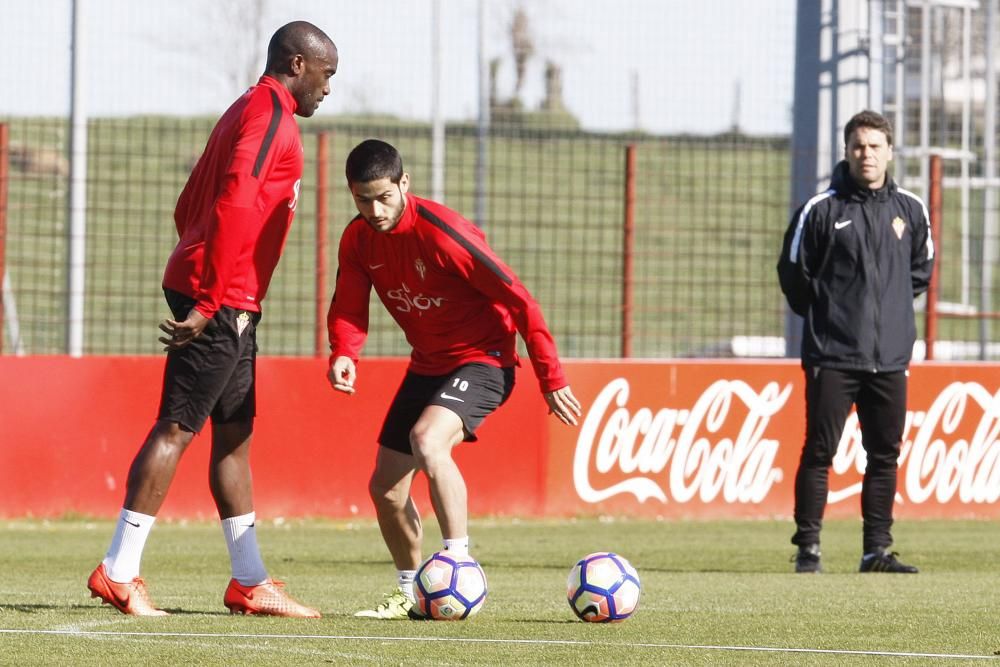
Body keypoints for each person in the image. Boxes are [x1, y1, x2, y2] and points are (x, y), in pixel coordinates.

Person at [87, 21, 338, 616]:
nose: (329, 90)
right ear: (298, 65)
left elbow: (188, 201)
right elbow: (232, 200)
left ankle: (249, 581)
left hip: (229, 296)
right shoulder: (270, 114)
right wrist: (209, 295)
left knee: (234, 437)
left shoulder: (245, 108)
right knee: (177, 427)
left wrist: (204, 268)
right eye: (327, 75)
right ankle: (119, 571)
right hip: (220, 299)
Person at [327, 139, 582, 619]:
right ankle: (410, 592)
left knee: (428, 440)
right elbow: (348, 305)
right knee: (385, 490)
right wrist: (345, 352)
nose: (374, 209)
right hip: (428, 364)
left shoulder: (444, 234)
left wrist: (552, 377)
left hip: (485, 361)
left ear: (404, 183)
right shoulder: (358, 240)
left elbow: (520, 299)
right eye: (362, 199)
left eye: (383, 196)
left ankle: (459, 565)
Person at [777, 110, 934, 574]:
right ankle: (808, 550)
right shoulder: (820, 210)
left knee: (884, 454)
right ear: (846, 152)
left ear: (889, 151)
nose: (867, 154)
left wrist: (889, 319)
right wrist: (829, 317)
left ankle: (876, 552)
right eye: (858, 146)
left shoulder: (911, 209)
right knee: (819, 451)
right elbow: (793, 274)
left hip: (889, 359)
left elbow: (920, 273)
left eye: (875, 146)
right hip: (832, 355)